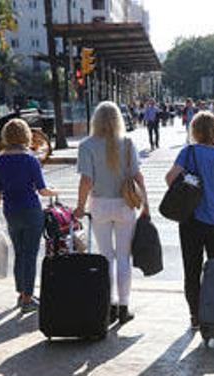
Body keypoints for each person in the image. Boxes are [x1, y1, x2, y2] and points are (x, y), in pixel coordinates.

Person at [73, 101, 150, 325]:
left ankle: (109, 306)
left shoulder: (86, 145)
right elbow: (138, 177)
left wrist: (79, 206)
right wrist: (146, 205)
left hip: (100, 205)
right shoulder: (127, 143)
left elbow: (86, 180)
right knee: (124, 257)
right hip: (125, 205)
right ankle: (124, 307)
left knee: (106, 258)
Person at [165, 111, 214, 331]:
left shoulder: (188, 153)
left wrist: (189, 181)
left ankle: (195, 316)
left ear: (195, 131)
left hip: (191, 221)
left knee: (192, 270)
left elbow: (170, 178)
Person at [0, 119, 57, 313]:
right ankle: (28, 297)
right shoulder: (31, 160)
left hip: (10, 211)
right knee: (30, 253)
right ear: (26, 136)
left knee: (19, 253)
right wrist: (55, 191)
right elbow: (42, 190)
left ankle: (21, 292)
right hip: (30, 210)